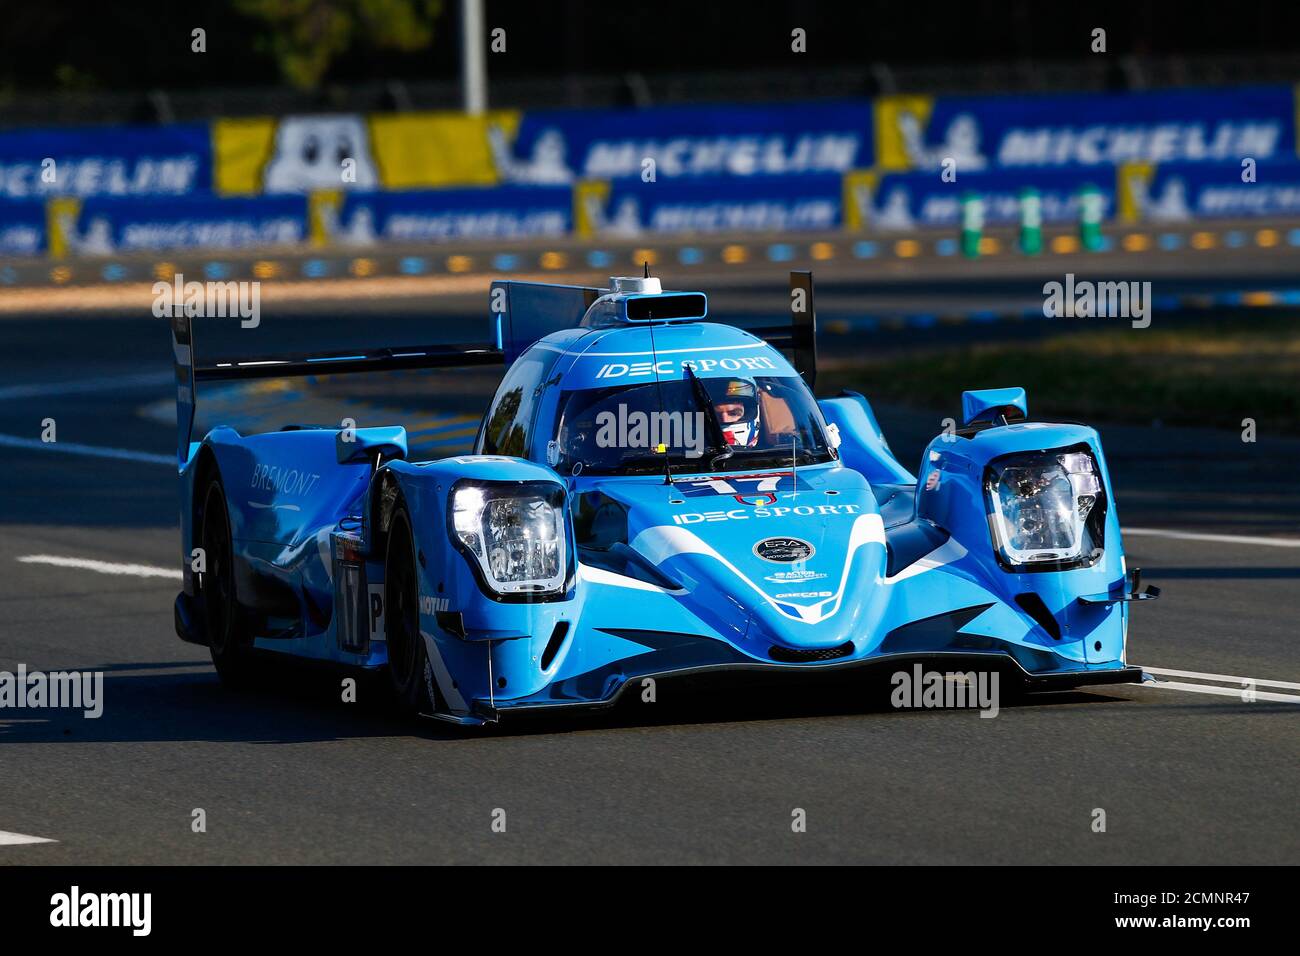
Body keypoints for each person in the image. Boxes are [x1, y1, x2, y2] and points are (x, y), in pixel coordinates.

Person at [711, 378, 761, 447]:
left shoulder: (778, 446)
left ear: (748, 411)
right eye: (713, 414)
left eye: (733, 413)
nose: (725, 420)